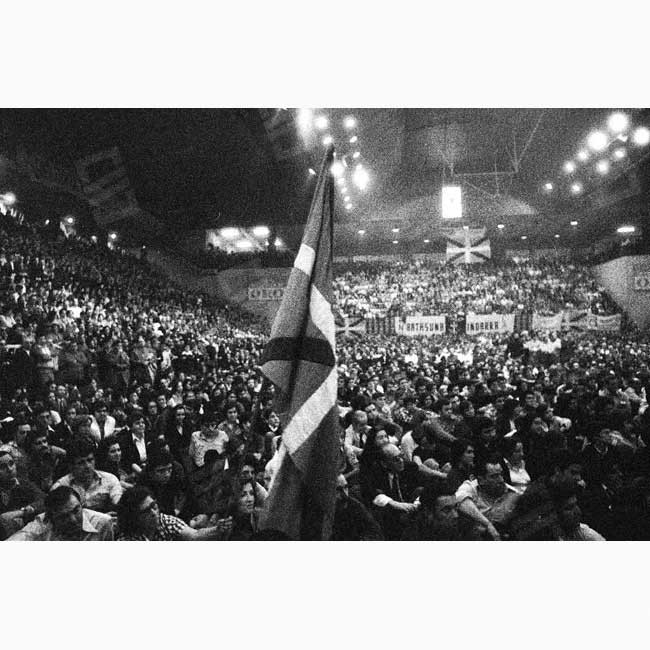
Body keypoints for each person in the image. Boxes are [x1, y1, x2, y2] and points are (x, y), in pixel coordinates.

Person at [116, 485, 232, 540]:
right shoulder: (126, 540)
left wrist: (217, 529)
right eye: (146, 511)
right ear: (134, 517)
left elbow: (194, 535)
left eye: (154, 506)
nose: (154, 512)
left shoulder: (164, 520)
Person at [8, 485, 114, 541]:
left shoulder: (102, 523)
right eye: (63, 517)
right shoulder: (43, 525)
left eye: (76, 510)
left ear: (82, 505)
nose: (73, 520)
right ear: (51, 518)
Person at [455, 454, 520, 540]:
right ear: (481, 480)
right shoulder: (470, 487)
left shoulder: (512, 493)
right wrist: (487, 524)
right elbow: (459, 500)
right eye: (494, 476)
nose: (501, 480)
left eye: (501, 474)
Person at [51, 437, 123, 513]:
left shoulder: (110, 480)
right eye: (81, 463)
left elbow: (119, 503)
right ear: (71, 466)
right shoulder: (60, 487)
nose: (87, 466)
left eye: (90, 460)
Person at [0, 447, 45, 539]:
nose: (9, 469)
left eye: (11, 463)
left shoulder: (25, 484)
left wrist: (23, 512)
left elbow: (45, 499)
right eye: (2, 467)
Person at [331, 474, 383, 541]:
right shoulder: (318, 514)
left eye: (346, 487)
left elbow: (374, 531)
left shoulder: (353, 504)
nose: (345, 495)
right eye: (338, 490)